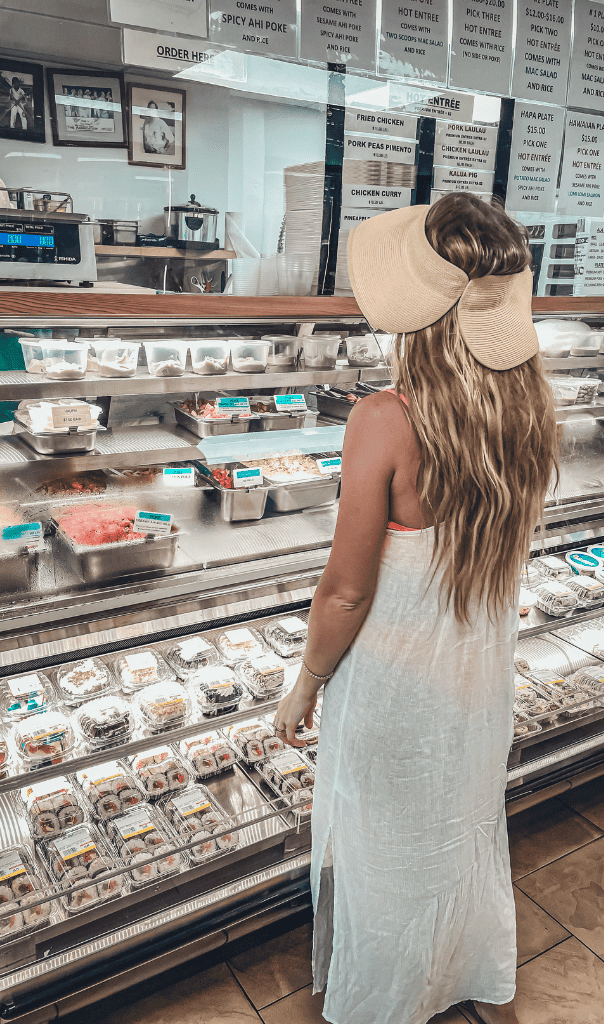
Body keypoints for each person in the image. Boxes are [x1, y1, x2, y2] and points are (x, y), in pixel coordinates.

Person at [273, 194, 559, 1024]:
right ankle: (459, 974)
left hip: (394, 688)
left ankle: (386, 999)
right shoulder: (527, 409)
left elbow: (347, 589)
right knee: (459, 832)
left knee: (384, 852)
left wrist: (306, 683)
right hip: (476, 684)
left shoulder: (385, 419)